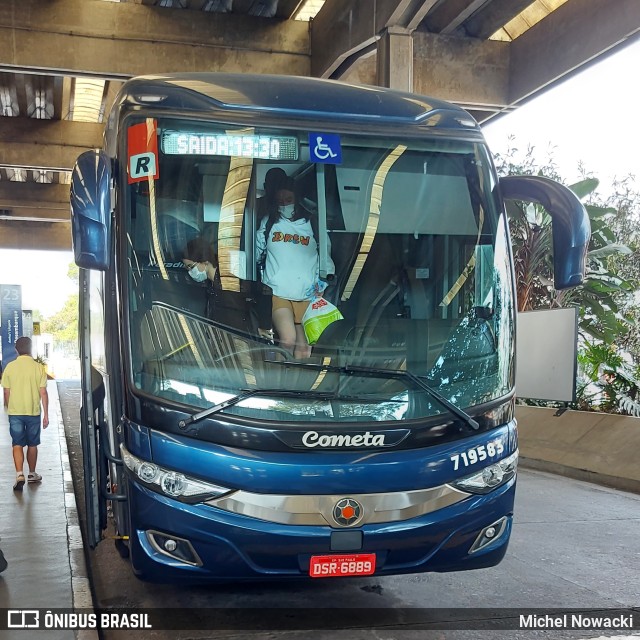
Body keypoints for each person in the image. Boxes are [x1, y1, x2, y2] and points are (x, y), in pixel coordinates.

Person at [256, 174, 334, 358]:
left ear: (297, 199)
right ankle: (283, 378)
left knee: (305, 348)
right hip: (277, 292)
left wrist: (322, 284)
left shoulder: (312, 223)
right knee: (288, 340)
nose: (284, 204)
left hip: (308, 293)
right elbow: (257, 250)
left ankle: (301, 382)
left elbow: (326, 255)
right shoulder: (269, 223)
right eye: (280, 200)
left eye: (288, 199)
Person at [1, 336, 49, 491]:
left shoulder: (10, 367)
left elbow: (6, 392)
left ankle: (19, 473)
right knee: (33, 443)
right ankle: (32, 473)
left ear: (16, 350)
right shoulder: (38, 367)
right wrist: (46, 415)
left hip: (16, 412)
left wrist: (9, 409)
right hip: (33, 412)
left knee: (17, 443)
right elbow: (43, 392)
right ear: (31, 349)